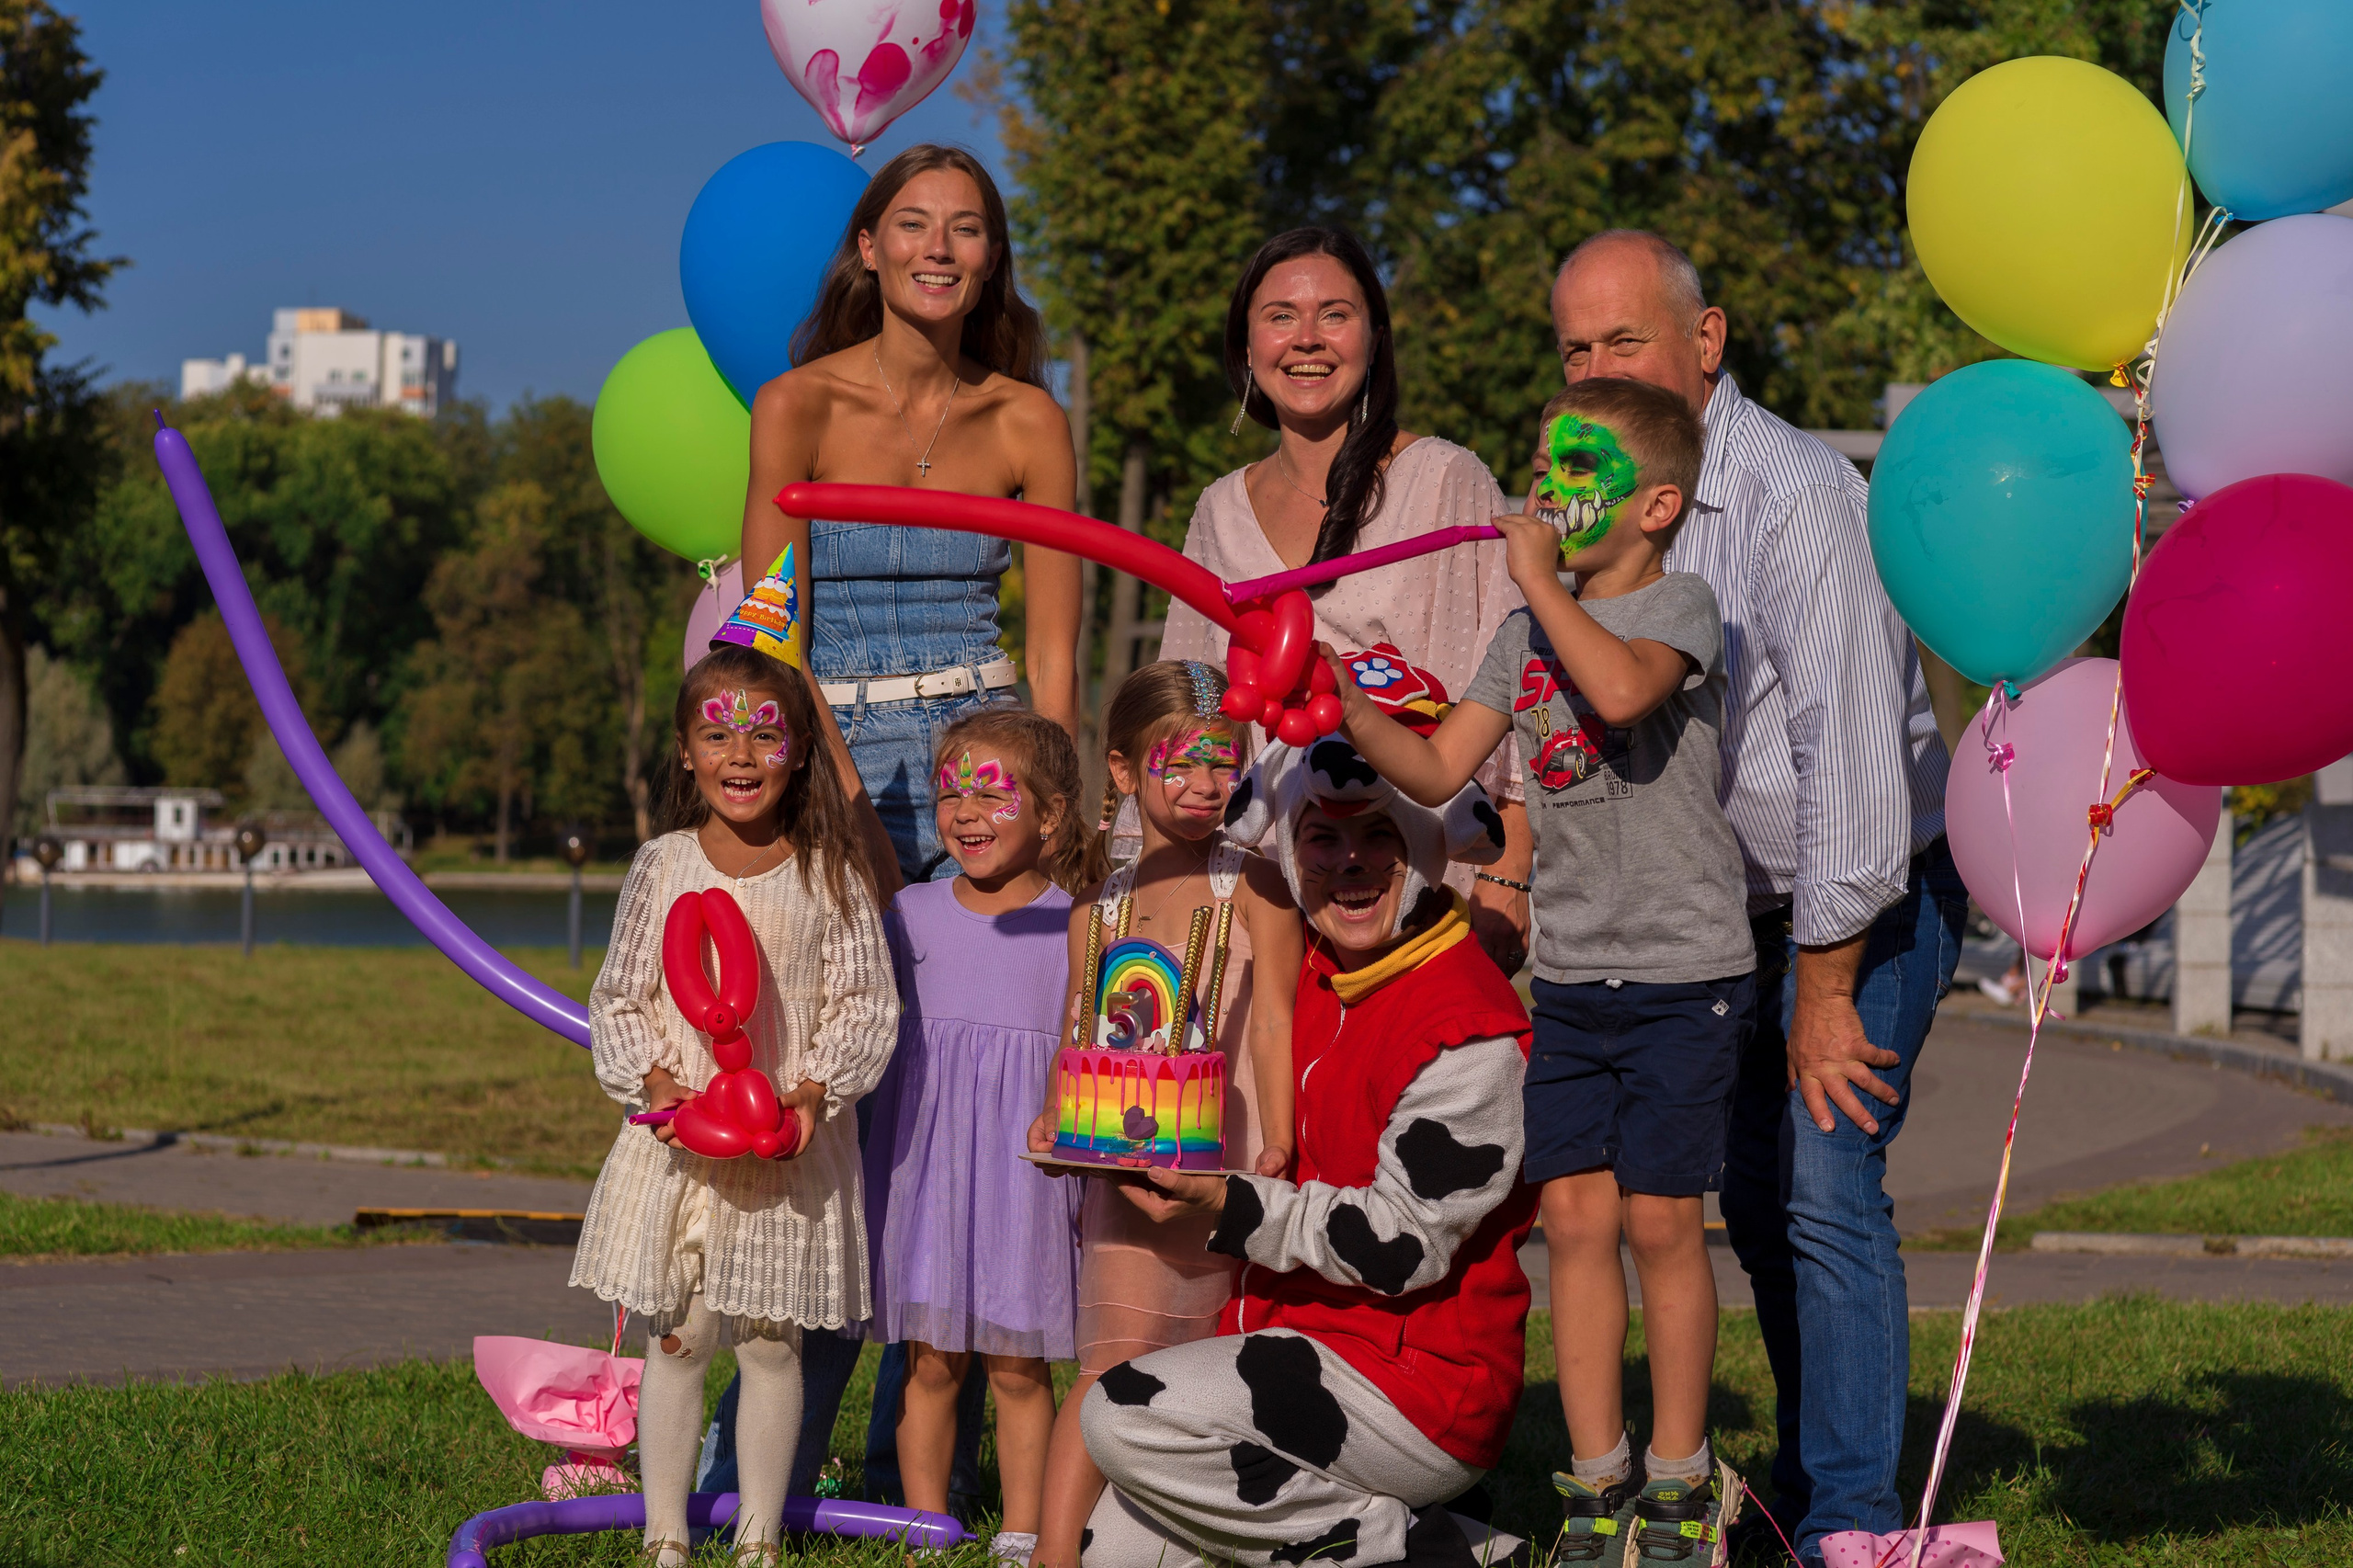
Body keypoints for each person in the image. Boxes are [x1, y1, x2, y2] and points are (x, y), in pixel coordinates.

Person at [1550, 230, 1961, 1564]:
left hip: (1862, 884)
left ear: (1706, 340)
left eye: (1628, 340)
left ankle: (1850, 1522)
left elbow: (1852, 752)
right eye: (1578, 349)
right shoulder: (1593, 495)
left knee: (1829, 1180)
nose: (1601, 368)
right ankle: (1795, 1484)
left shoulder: (1797, 495)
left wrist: (1825, 989)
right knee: (1755, 1191)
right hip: (1717, 911)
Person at [1334, 377, 1753, 1563]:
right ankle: (1595, 1481)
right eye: (1545, 465)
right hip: (1572, 979)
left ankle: (1678, 1484)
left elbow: (1620, 691)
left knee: (1664, 1221)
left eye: (1580, 470)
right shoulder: (1522, 632)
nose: (1548, 490)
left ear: (1658, 502)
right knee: (1571, 1217)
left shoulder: (1684, 602)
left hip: (1685, 973)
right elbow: (1433, 769)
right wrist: (1344, 708)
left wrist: (1530, 578)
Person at [735, 142, 1082, 1504]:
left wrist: (1051, 809)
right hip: (835, 753)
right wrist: (829, 807)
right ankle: (763, 1447)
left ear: (992, 259)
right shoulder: (795, 404)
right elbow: (771, 629)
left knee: (966, 1101)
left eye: (971, 231)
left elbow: (1050, 646)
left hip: (986, 761)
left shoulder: (1024, 422)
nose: (942, 250)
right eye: (915, 226)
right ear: (867, 249)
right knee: (833, 1100)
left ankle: (911, 1461)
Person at [1069, 718, 1533, 1568]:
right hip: (1284, 1347)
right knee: (1118, 1555)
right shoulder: (1314, 965)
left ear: (1426, 851)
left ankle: (1412, 1548)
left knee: (1121, 1412)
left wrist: (1228, 1204)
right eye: (1322, 838)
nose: (1348, 861)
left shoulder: (1469, 1032)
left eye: (1378, 836)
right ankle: (1437, 1544)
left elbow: (1401, 1248)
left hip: (1419, 1387)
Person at [569, 642, 900, 1566]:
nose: (742, 754)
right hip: (679, 1149)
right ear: (684, 751)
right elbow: (619, 996)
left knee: (768, 1340)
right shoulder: (661, 863)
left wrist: (811, 1092)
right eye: (718, 733)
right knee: (678, 1335)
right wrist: (654, 1082)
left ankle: (759, 1533)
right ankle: (664, 1531)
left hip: (784, 1153)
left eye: (766, 732)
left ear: (798, 751)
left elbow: (865, 1002)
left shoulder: (829, 869)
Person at [1158, 226, 1536, 975]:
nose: (1307, 339)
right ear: (1245, 346)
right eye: (1279, 316)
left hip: (1423, 887)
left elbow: (1514, 691)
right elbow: (1191, 710)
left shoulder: (1444, 480)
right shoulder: (1217, 510)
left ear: (1374, 338)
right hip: (1261, 900)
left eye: (1334, 314)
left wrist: (1506, 875)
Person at [1026, 661, 1302, 1568]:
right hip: (1118, 1165)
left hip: (1220, 1162)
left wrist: (1276, 1139)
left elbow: (1272, 1017)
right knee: (1113, 1360)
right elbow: (1079, 1023)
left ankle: (1175, 1538)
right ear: (1120, 770)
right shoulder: (1097, 905)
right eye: (1177, 765)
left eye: (1224, 764)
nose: (1203, 786)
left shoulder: (1253, 884)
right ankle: (1053, 1549)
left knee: (1204, 1365)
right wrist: (1054, 1122)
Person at [864, 709, 1093, 1563]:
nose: (966, 810)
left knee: (1017, 1368)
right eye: (951, 790)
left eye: (993, 793)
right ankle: (927, 1530)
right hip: (929, 1171)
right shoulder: (910, 914)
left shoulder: (1077, 922)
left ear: (1052, 815)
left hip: (1023, 1179)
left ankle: (1025, 1533)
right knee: (931, 1365)